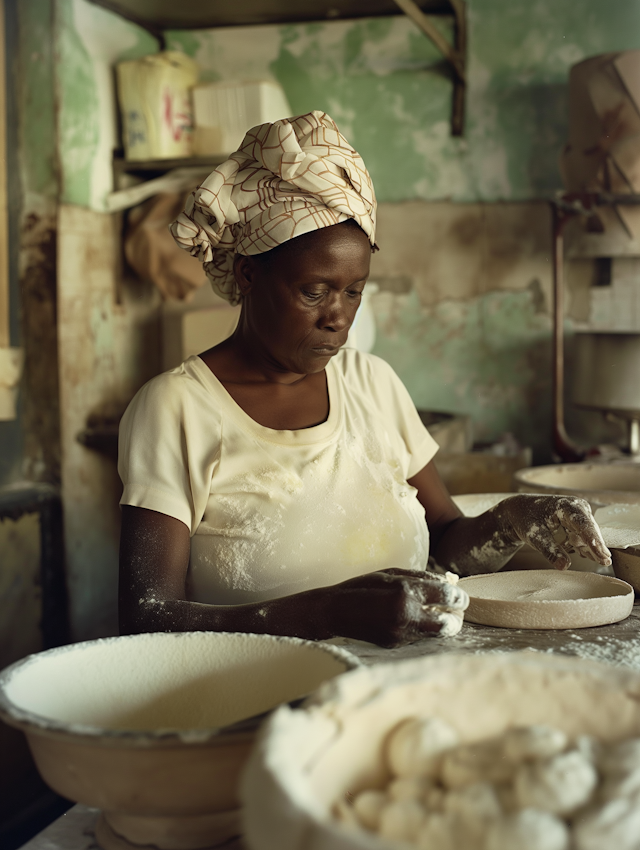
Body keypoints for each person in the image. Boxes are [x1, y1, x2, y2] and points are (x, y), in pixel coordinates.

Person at [118, 112, 611, 648]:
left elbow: (447, 542)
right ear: (248, 274)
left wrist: (512, 520)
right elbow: (146, 616)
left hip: (395, 700)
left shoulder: (371, 382)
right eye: (314, 291)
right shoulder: (178, 407)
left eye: (354, 291)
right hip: (263, 704)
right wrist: (326, 613)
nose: (338, 316)